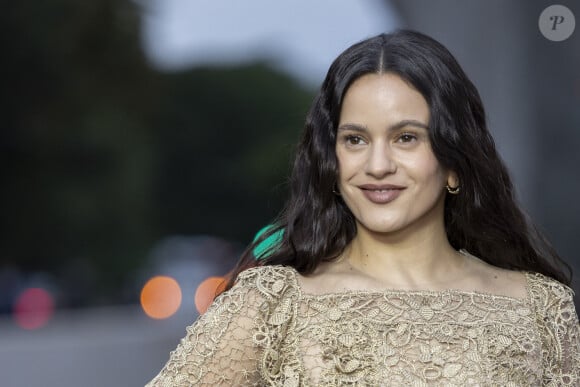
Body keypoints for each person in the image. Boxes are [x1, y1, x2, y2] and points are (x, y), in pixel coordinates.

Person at [146, 29, 579, 386]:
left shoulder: (540, 306)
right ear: (332, 163)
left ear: (454, 164)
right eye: (355, 140)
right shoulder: (272, 305)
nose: (377, 165)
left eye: (406, 137)